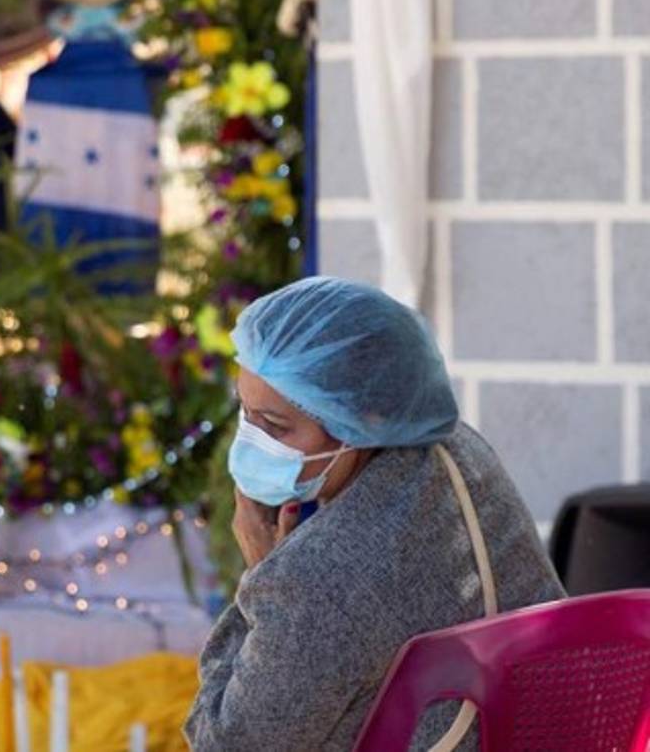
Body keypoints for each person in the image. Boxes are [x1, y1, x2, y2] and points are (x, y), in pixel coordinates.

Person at [184, 277, 564, 751]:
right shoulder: (458, 450)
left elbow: (225, 744)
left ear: (366, 420)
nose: (251, 441)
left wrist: (263, 576)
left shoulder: (319, 576)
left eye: (276, 426)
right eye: (246, 412)